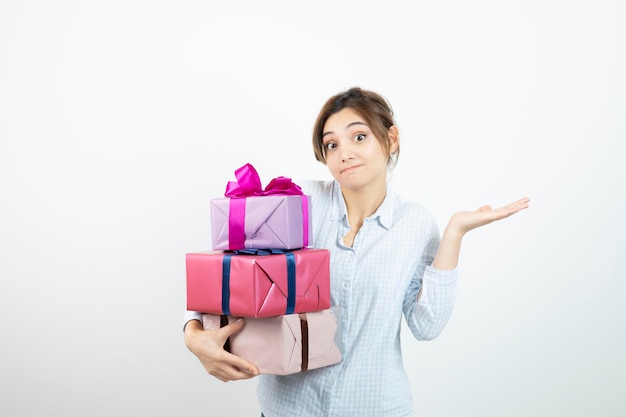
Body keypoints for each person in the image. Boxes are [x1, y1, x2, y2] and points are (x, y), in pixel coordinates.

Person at [183, 87, 530, 416]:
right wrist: (193, 334)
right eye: (331, 145)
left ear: (390, 139)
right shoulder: (299, 204)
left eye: (358, 137)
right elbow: (228, 274)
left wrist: (455, 232)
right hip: (288, 407)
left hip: (374, 406)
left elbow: (426, 325)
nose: (344, 153)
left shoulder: (416, 224)